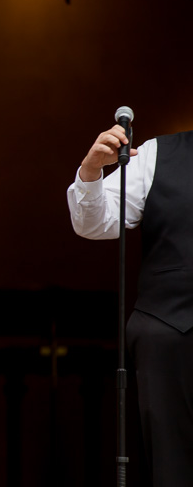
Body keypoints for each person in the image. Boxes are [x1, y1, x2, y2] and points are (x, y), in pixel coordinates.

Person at [67, 122, 193, 487]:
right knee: (174, 472)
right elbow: (94, 223)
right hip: (171, 337)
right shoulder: (157, 155)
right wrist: (91, 171)